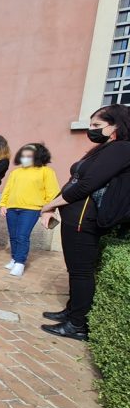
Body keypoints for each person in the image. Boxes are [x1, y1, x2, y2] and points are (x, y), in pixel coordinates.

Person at [39, 104, 130, 340]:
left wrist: (50, 205)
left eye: (97, 126)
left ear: (115, 127)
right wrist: (53, 204)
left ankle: (78, 324)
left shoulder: (121, 149)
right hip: (73, 216)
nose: (91, 130)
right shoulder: (104, 149)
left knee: (81, 272)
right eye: (90, 124)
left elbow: (88, 185)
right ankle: (72, 312)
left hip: (85, 219)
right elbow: (74, 180)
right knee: (74, 269)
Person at [0, 144, 60, 277]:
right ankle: (14, 258)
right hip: (12, 208)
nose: (25, 158)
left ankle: (20, 262)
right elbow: (7, 189)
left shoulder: (46, 171)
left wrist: (49, 209)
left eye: (28, 156)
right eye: (23, 155)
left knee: (22, 235)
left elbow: (52, 192)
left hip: (31, 209)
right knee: (13, 235)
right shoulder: (15, 172)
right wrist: (3, 204)